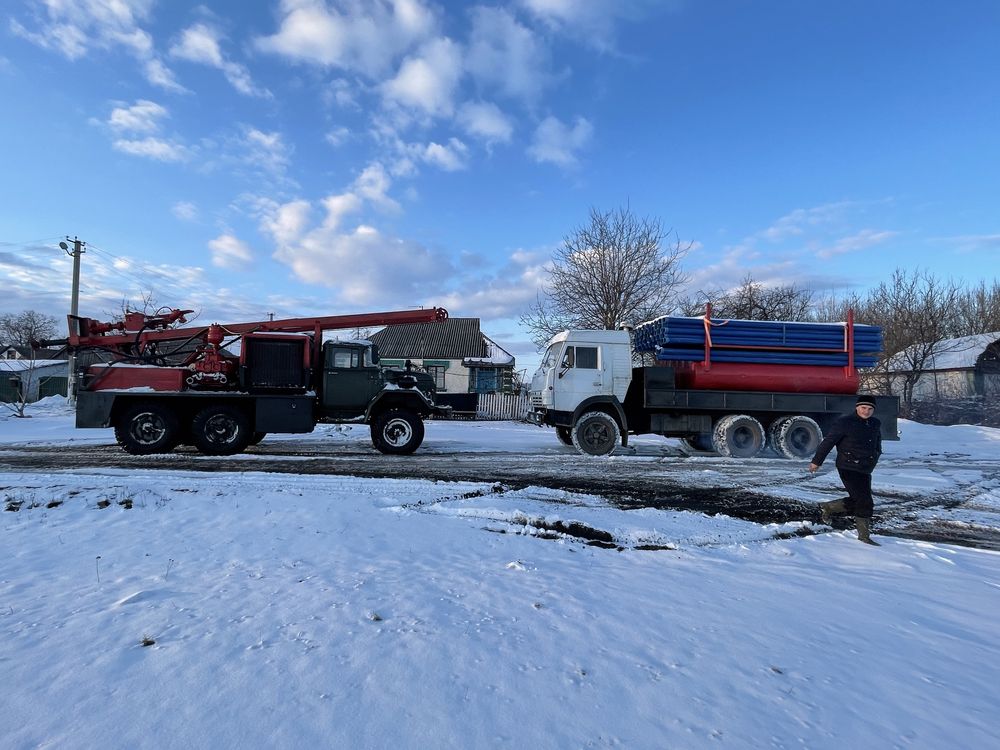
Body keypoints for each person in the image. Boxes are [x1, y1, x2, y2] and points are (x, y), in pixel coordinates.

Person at [809, 394, 883, 545]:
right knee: (864, 501)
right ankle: (864, 536)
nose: (866, 411)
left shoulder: (875, 423)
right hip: (847, 466)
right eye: (863, 408)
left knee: (859, 499)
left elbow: (877, 442)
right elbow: (828, 442)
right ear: (857, 407)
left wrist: (875, 456)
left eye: (870, 409)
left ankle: (827, 507)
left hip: (865, 468)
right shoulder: (845, 422)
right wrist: (817, 461)